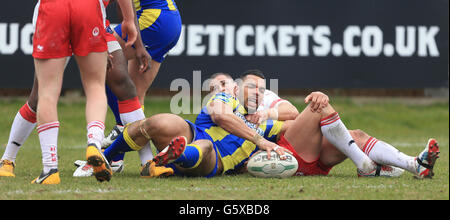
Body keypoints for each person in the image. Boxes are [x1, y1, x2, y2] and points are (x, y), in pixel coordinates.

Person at [0, 0, 137, 185]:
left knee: (45, 92)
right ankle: (94, 144)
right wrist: (129, 19)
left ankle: (48, 169)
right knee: (95, 87)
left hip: (54, 8)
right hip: (89, 9)